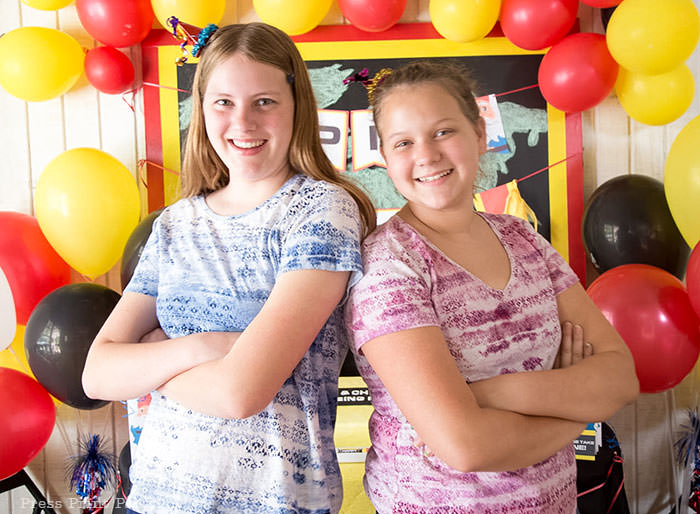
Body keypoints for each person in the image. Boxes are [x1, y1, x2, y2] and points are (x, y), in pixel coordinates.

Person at [82, 22, 376, 514]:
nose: (243, 122)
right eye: (223, 102)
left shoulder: (321, 209)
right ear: (202, 109)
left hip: (274, 502)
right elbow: (96, 375)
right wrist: (206, 346)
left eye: (264, 101)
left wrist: (151, 360)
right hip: (156, 499)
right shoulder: (175, 223)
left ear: (296, 106)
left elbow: (241, 392)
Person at [344, 61, 639, 513]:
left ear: (479, 135)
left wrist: (492, 393)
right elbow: (465, 446)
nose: (426, 155)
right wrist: (574, 402)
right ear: (385, 157)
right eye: (404, 142)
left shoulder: (523, 239)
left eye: (443, 131)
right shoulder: (389, 267)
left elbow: (620, 378)